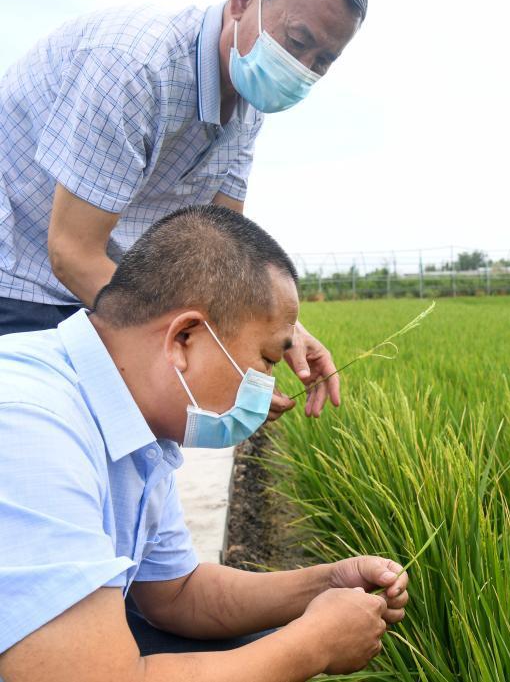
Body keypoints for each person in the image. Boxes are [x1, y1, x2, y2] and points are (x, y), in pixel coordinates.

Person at [0, 205, 409, 682]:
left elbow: (177, 593)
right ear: (184, 338)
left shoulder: (134, 424)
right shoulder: (30, 424)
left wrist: (325, 583)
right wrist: (313, 645)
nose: (268, 386)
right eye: (266, 358)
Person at [0, 0, 364, 417]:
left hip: (102, 282)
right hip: (21, 273)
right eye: (298, 41)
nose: (301, 69)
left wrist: (286, 332)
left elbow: (225, 256)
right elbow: (72, 253)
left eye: (322, 61)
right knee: (51, 443)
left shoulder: (247, 102)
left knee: (132, 443)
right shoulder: (135, 65)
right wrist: (214, 355)